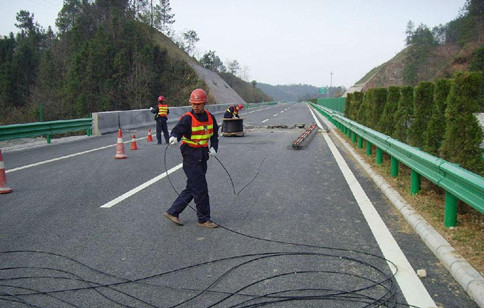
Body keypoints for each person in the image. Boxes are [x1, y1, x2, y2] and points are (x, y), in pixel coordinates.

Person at [164, 88, 220, 228]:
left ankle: (173, 211)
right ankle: (203, 219)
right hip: (190, 156)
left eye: (199, 103)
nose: (196, 106)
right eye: (193, 103)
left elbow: (214, 136)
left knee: (192, 187)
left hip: (202, 156)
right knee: (201, 188)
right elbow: (177, 130)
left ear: (204, 103)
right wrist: (174, 137)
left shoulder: (210, 118)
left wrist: (214, 148)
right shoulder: (187, 118)